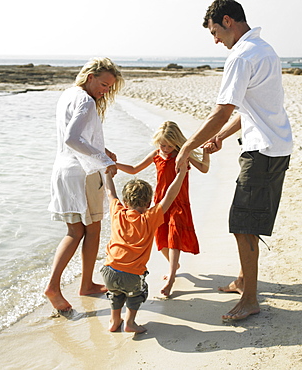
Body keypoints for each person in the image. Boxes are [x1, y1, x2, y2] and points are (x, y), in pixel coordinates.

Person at [176, 0, 293, 321]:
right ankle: (244, 280)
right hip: (276, 145)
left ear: (228, 21)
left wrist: (187, 147)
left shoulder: (240, 56)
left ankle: (250, 299)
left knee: (243, 224)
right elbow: (249, 110)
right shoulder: (265, 49)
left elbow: (222, 111)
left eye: (215, 31)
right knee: (248, 219)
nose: (215, 40)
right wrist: (221, 137)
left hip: (262, 152)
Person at [45, 57, 124, 312]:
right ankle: (55, 286)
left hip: (64, 170)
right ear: (90, 77)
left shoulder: (68, 94)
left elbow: (78, 137)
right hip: (82, 172)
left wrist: (104, 150)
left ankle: (86, 284)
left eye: (109, 87)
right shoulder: (87, 101)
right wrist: (103, 160)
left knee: (81, 230)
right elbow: (72, 138)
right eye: (103, 84)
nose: (105, 91)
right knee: (83, 231)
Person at [117, 121, 209, 297]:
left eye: (169, 145)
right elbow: (134, 169)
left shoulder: (183, 155)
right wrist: (115, 165)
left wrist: (205, 151)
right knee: (160, 238)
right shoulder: (156, 154)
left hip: (179, 202)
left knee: (174, 237)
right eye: (162, 144)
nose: (165, 148)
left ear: (177, 143)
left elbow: (204, 168)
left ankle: (171, 278)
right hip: (160, 203)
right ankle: (175, 265)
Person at [101, 158, 189, 333]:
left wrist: (108, 174)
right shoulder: (150, 218)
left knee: (115, 293)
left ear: (126, 202)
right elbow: (169, 197)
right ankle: (130, 322)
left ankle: (114, 320)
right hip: (133, 275)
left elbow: (110, 193)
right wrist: (181, 174)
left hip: (108, 271)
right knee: (138, 293)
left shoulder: (118, 212)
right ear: (148, 203)